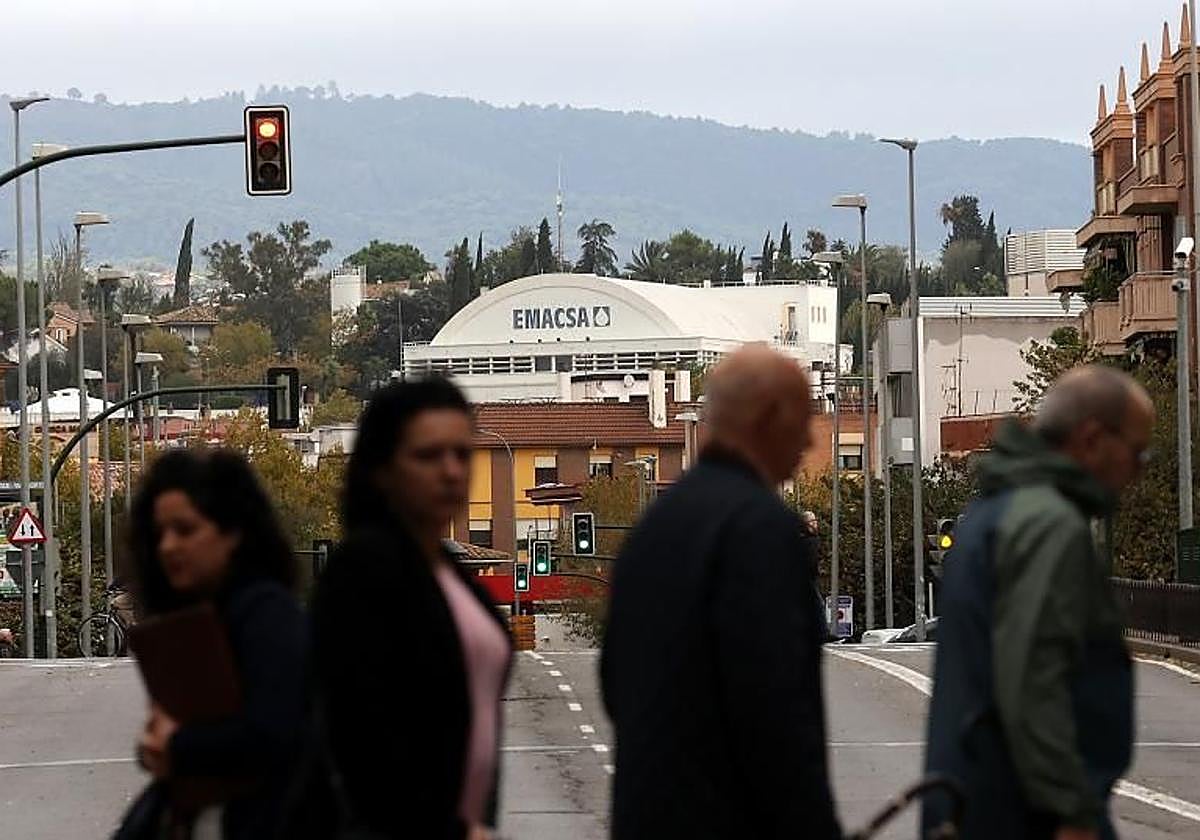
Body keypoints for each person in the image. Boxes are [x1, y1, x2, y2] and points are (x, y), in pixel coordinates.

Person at [601, 344, 841, 839]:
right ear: (770, 417)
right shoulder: (762, 530)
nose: (807, 442)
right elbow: (777, 713)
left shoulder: (653, 529)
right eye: (805, 419)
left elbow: (615, 678)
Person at [923, 366, 1154, 840]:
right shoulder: (1047, 525)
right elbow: (1034, 677)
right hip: (1028, 813)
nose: (1137, 471)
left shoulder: (995, 512)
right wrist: (1070, 811)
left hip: (976, 796)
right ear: (1092, 439)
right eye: (1136, 452)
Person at [300, 378, 511, 839]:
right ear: (383, 470)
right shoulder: (363, 572)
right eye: (428, 456)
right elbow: (362, 735)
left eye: (462, 453)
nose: (452, 471)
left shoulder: (448, 572)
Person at [128, 449, 308, 839]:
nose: (168, 546)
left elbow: (272, 732)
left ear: (232, 533)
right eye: (160, 533)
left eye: (186, 530)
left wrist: (177, 745)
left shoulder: (268, 614)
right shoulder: (196, 620)